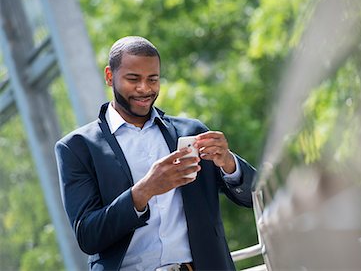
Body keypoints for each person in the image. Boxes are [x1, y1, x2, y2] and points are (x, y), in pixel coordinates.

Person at [55, 36, 257, 271]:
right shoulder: (76, 148)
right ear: (110, 76)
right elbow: (88, 236)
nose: (144, 89)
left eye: (153, 79)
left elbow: (254, 195)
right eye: (133, 79)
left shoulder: (191, 132)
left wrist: (229, 163)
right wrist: (144, 191)